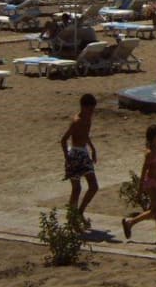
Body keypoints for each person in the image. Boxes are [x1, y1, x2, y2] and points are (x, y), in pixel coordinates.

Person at [122, 124, 156, 249]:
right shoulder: (150, 153)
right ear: (154, 137)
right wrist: (140, 190)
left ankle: (130, 223)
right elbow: (144, 170)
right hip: (150, 183)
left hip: (155, 182)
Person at [60, 93, 99, 229]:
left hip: (84, 153)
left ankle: (80, 212)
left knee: (94, 186)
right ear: (83, 107)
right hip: (75, 154)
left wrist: (93, 149)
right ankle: (72, 219)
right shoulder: (76, 121)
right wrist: (67, 158)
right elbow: (64, 140)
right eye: (90, 110)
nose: (92, 113)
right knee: (76, 189)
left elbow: (85, 135)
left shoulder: (88, 119)